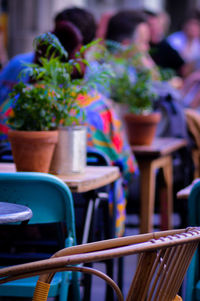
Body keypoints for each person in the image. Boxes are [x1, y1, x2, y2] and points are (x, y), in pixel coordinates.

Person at [1, 7, 138, 237]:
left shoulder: (14, 105)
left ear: (38, 59)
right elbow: (128, 168)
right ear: (80, 57)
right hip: (82, 225)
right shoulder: (99, 108)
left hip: (13, 220)